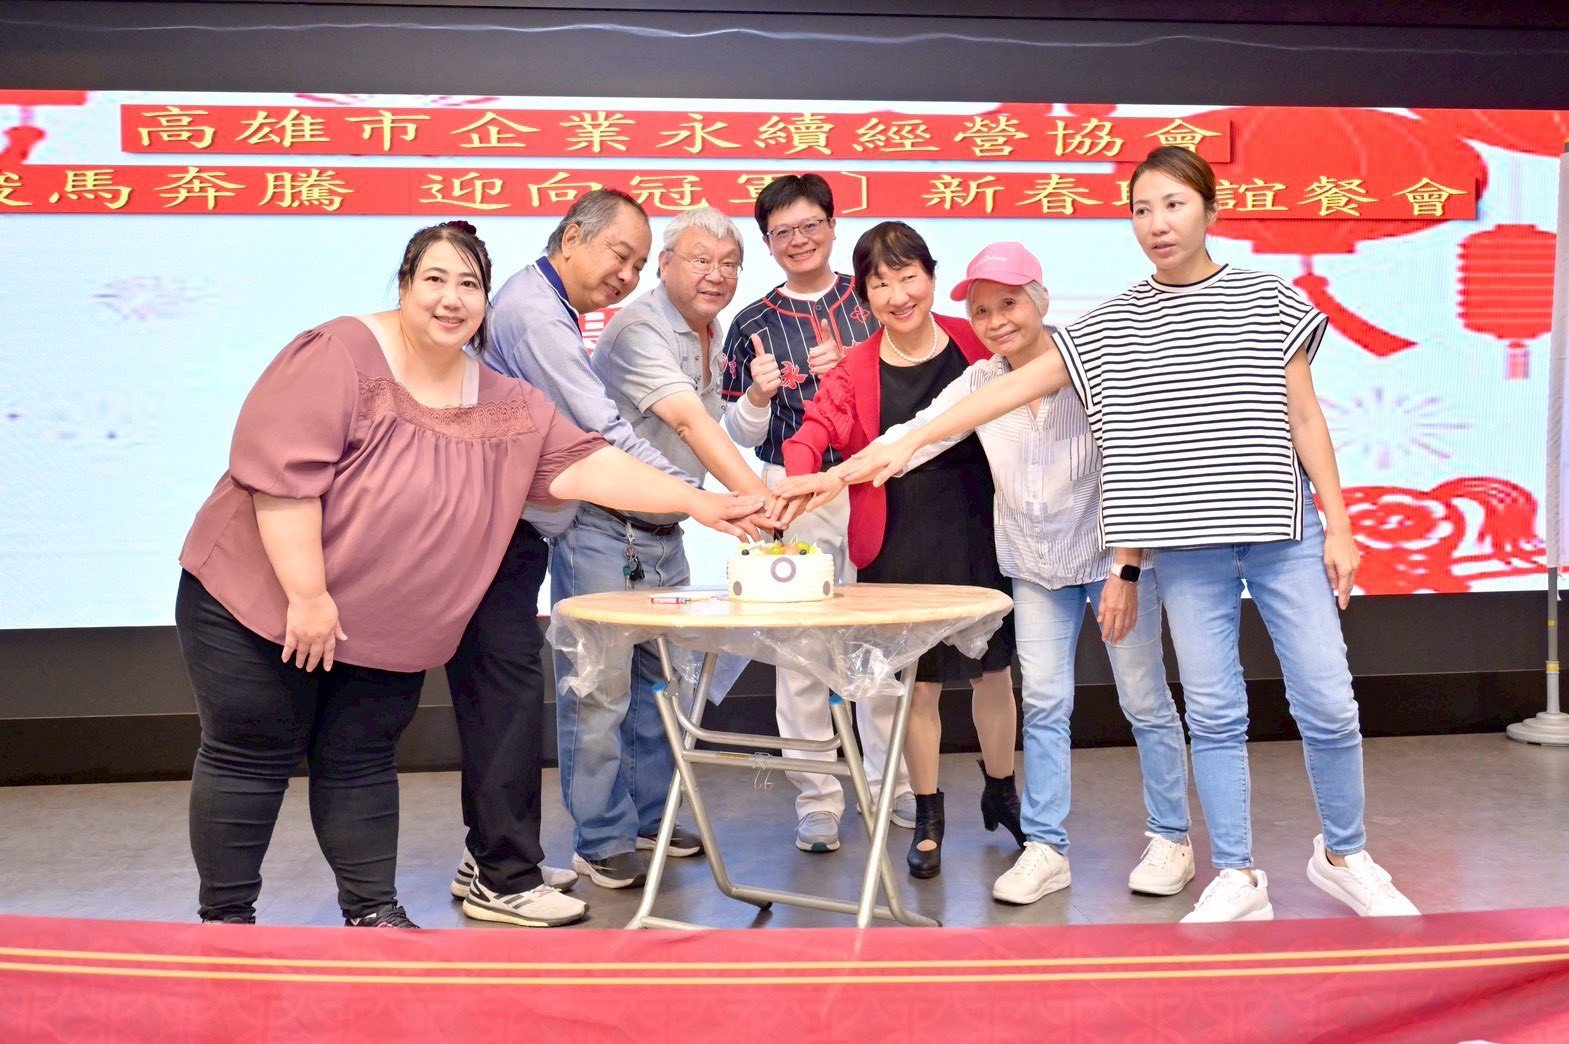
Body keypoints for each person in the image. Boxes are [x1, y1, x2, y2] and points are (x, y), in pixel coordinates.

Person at [839, 148, 1420, 922]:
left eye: (1173, 204)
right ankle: (1232, 872)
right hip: (1162, 551)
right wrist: (886, 451)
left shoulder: (1264, 298)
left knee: (1323, 702)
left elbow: (1302, 416)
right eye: (1142, 209)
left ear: (1209, 208)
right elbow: (989, 398)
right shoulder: (1115, 322)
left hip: (1260, 537)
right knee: (1206, 714)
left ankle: (1335, 853)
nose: (1157, 223)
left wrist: (1337, 524)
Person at [176, 221, 763, 929]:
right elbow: (281, 480)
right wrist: (306, 596)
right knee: (251, 755)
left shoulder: (504, 401)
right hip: (260, 599)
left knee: (360, 760)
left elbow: (588, 464)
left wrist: (702, 503)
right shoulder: (338, 353)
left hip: (372, 621)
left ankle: (373, 912)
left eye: (469, 284)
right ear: (404, 285)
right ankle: (227, 921)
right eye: (435, 279)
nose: (451, 299)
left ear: (486, 299)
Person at [784, 242, 1193, 905]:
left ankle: (1171, 836)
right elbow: (914, 435)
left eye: (1009, 303)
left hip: (1104, 560)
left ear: (1040, 299)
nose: (997, 320)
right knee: (1045, 704)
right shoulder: (979, 381)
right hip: (1030, 566)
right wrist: (827, 480)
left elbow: (1136, 464)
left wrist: (1127, 567)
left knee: (1143, 700)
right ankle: (1045, 846)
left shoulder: (1088, 363)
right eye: (982, 311)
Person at [778, 221, 1019, 880]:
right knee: (918, 684)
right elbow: (811, 433)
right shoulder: (856, 367)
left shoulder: (975, 340)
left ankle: (1002, 791)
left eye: (908, 277)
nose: (897, 294)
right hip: (898, 541)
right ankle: (928, 815)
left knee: (995, 672)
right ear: (864, 297)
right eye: (879, 284)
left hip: (982, 529)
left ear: (931, 277)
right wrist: (799, 480)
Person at [561, 205, 782, 882]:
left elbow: (713, 425)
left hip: (664, 534)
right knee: (599, 695)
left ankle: (650, 819)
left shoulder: (711, 331)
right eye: (700, 260)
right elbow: (686, 420)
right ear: (663, 265)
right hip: (603, 530)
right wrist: (759, 500)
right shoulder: (639, 329)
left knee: (660, 686)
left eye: (729, 264)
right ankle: (601, 839)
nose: (717, 275)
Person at [720, 174, 913, 855]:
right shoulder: (751, 322)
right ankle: (817, 799)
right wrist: (758, 398)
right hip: (790, 494)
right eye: (782, 232)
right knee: (799, 652)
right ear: (767, 242)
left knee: (878, 642)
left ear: (833, 226)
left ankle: (890, 786)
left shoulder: (873, 301)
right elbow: (736, 431)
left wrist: (853, 373)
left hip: (869, 484)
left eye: (810, 226)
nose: (798, 241)